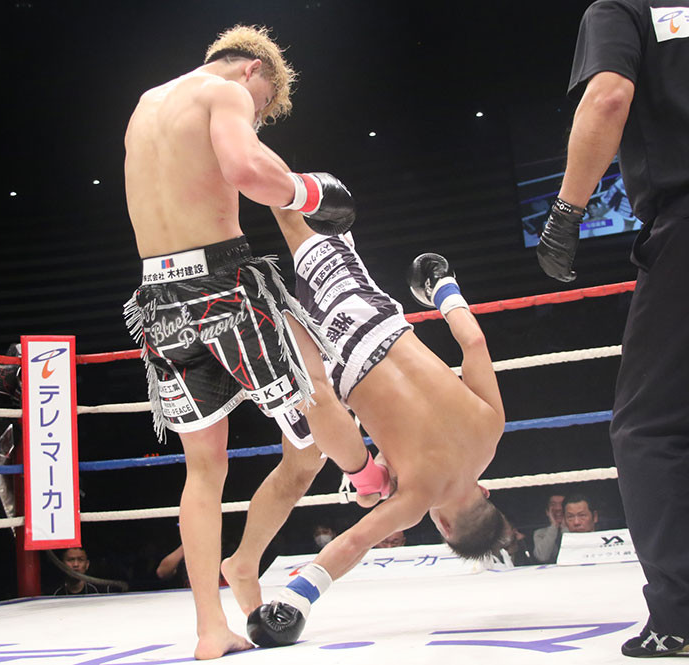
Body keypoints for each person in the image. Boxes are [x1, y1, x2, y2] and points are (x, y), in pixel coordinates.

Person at [122, 25, 388, 659]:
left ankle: (210, 629)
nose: (258, 115)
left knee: (204, 469)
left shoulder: (147, 104)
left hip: (157, 298)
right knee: (314, 394)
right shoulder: (228, 92)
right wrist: (312, 192)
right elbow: (248, 171)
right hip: (223, 283)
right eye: (264, 105)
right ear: (253, 70)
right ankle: (370, 477)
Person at [224, 205, 508, 648]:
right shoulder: (416, 499)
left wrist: (443, 287)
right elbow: (353, 544)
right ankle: (241, 171)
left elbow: (474, 341)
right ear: (446, 529)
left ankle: (244, 563)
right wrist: (295, 601)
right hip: (334, 365)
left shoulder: (491, 429)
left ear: (485, 493)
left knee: (302, 465)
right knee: (287, 219)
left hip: (371, 321)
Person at [536, 1, 689, 657]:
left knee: (650, 427)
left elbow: (608, 96)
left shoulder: (621, 8)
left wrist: (567, 212)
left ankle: (680, 616)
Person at [532, 493, 566, 564]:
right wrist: (554, 526)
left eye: (562, 504)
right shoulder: (540, 533)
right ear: (547, 512)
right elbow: (542, 557)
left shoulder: (577, 530)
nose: (558, 508)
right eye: (553, 504)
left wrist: (565, 528)